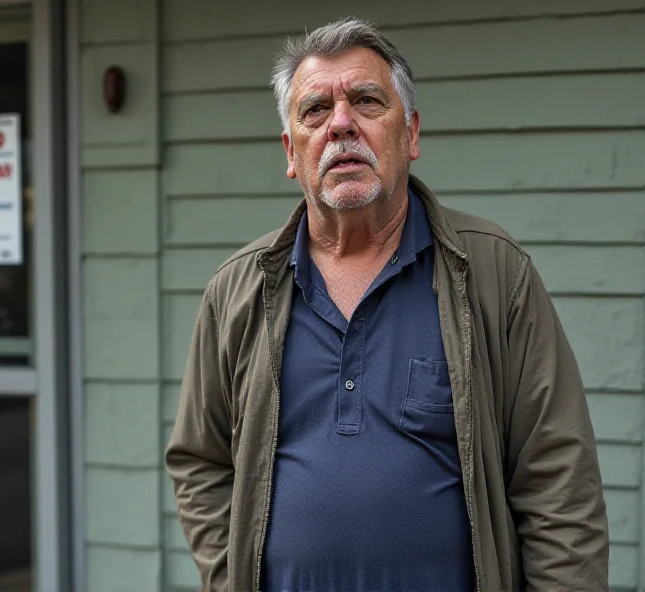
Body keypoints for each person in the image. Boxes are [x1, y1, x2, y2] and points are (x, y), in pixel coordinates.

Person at [165, 16, 608, 592]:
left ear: (411, 134)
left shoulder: (495, 273)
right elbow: (200, 462)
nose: (341, 125)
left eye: (367, 101)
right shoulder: (239, 289)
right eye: (315, 110)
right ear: (291, 151)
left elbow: (560, 481)